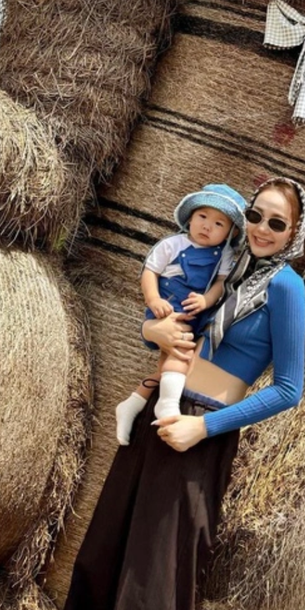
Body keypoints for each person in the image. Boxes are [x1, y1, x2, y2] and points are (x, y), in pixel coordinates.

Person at [50, 176, 305, 610]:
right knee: (105, 550)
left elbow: (288, 389)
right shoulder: (222, 263)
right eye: (255, 215)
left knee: (153, 583)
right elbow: (163, 328)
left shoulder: (286, 287)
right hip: (160, 411)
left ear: (294, 232)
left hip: (199, 430)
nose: (261, 228)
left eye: (277, 223)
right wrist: (152, 326)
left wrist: (205, 429)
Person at [115, 182, 247, 441]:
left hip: (196, 312)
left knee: (170, 366)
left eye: (219, 224)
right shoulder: (173, 244)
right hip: (169, 308)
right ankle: (167, 404)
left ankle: (134, 402)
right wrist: (153, 299)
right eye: (202, 216)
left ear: (231, 233)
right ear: (190, 217)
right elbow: (149, 271)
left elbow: (221, 283)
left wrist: (207, 300)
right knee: (181, 352)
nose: (208, 226)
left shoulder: (225, 255)